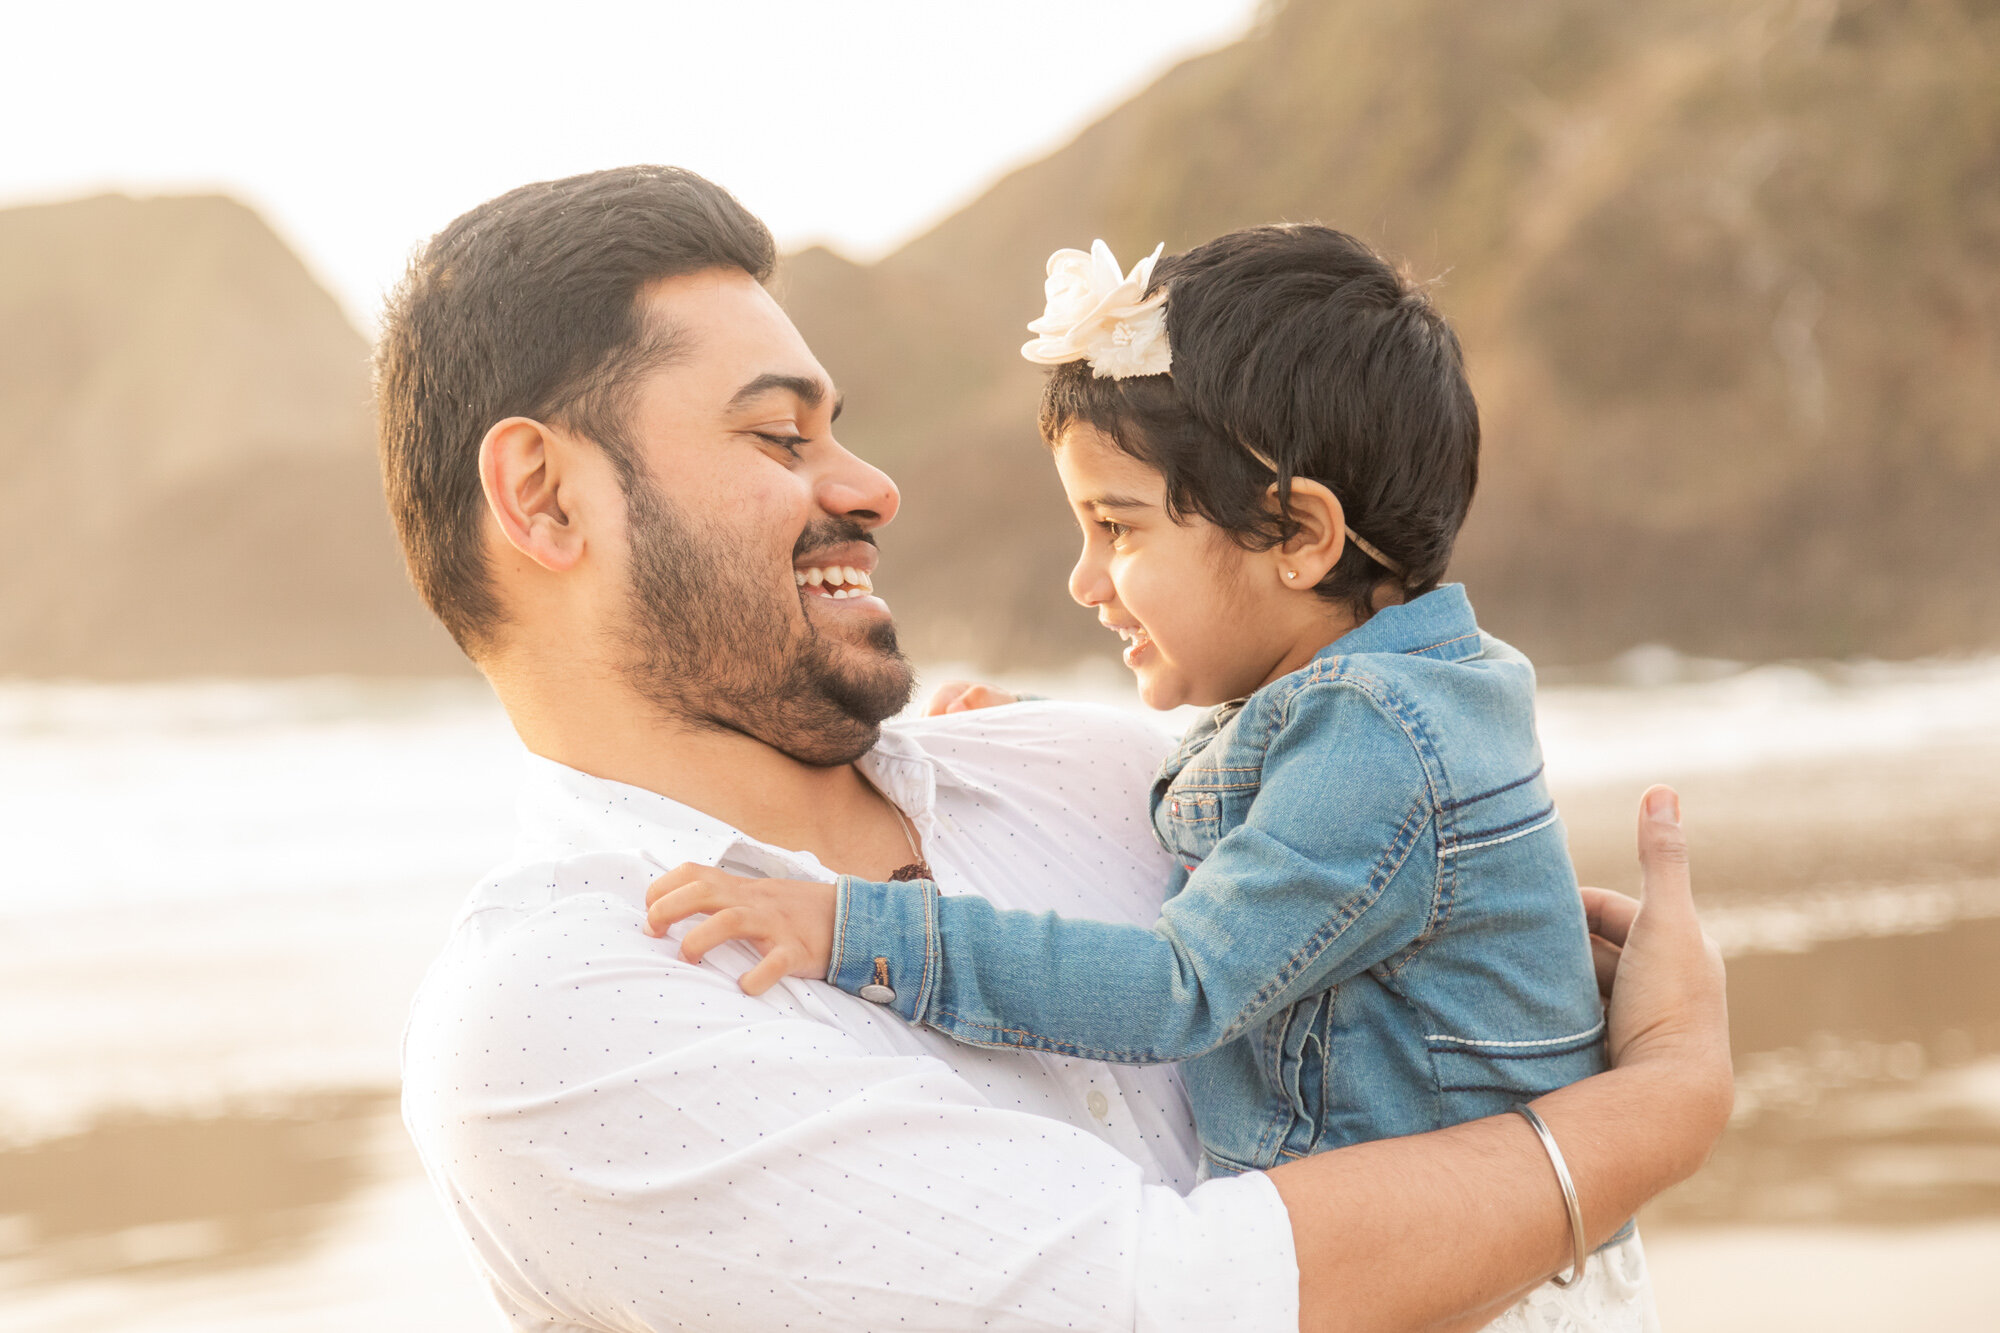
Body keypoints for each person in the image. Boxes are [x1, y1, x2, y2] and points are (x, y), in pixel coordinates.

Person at [383, 165, 1732, 1332]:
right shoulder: (555, 1010)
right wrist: (1662, 1098)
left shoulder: (1097, 767)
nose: (870, 484)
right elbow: (1169, 1305)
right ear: (546, 496)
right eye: (780, 433)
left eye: (839, 430)